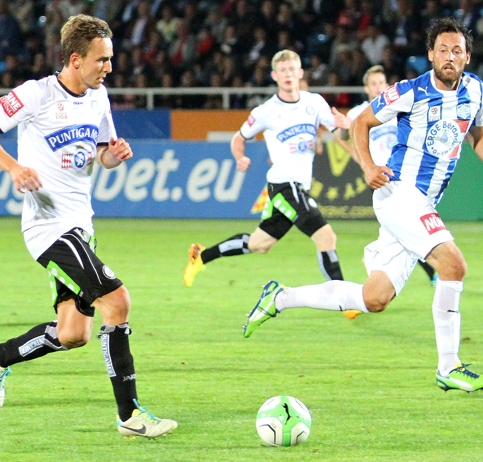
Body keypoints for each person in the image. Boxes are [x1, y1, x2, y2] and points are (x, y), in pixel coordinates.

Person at [244, 18, 483, 393]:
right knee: (454, 264)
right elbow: (360, 123)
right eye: (442, 50)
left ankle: (281, 297)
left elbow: (477, 136)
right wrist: (370, 165)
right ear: (430, 55)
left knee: (374, 298)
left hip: (424, 203)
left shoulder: (475, 90)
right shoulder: (410, 91)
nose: (449, 57)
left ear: (467, 57)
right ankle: (448, 366)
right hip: (399, 193)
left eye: (457, 51)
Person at [0, 14, 177, 439]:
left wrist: (112, 156)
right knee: (117, 303)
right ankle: (130, 415)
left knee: (73, 333)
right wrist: (13, 167)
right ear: (76, 58)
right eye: (103, 60)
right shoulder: (35, 94)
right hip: (48, 226)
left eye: (111, 59)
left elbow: (99, 154)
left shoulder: (99, 98)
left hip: (82, 225)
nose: (110, 67)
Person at [183, 49, 349, 288]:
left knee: (259, 244)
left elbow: (340, 132)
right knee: (326, 236)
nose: (288, 74)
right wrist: (240, 157)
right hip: (284, 185)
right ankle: (343, 296)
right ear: (274, 76)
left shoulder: (315, 103)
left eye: (292, 69)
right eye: (283, 70)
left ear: (301, 73)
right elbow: (238, 138)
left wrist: (343, 127)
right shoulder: (265, 111)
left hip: (298, 186)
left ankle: (202, 254)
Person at [333, 65, 437, 321]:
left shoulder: (396, 106)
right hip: (384, 182)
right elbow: (340, 134)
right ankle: (372, 286)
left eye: (382, 82)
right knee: (413, 233)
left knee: (405, 235)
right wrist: (361, 160)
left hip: (404, 178)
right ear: (367, 88)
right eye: (374, 83)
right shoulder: (360, 113)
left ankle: (370, 285)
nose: (379, 87)